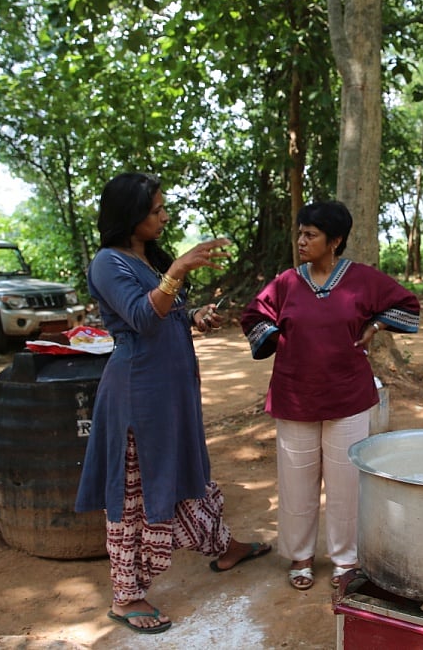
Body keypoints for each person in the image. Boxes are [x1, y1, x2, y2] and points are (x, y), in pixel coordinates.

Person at [75, 173, 271, 635]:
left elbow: (165, 312)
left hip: (171, 390)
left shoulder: (146, 257)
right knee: (136, 492)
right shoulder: (108, 262)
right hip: (137, 396)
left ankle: (223, 546)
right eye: (155, 210)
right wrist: (179, 269)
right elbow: (142, 317)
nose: (164, 216)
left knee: (186, 471)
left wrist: (194, 315)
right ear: (130, 216)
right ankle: (126, 596)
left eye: (163, 207)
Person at [239, 200, 420, 591]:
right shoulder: (286, 282)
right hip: (294, 396)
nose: (301, 241)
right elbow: (254, 316)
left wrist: (376, 325)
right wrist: (280, 339)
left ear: (335, 240)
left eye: (311, 234)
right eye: (300, 233)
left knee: (347, 485)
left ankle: (346, 558)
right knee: (296, 483)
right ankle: (300, 556)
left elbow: (408, 306)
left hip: (348, 396)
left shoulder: (363, 279)